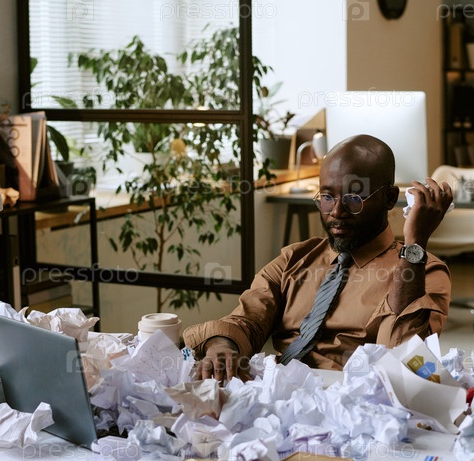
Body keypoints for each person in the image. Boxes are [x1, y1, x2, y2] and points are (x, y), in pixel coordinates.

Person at [183, 134, 453, 381]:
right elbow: (247, 320)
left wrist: (415, 245)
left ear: (389, 198)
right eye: (326, 196)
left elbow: (404, 360)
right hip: (280, 395)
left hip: (351, 401)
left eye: (353, 198)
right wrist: (224, 346)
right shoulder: (295, 259)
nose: (336, 211)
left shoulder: (424, 272)